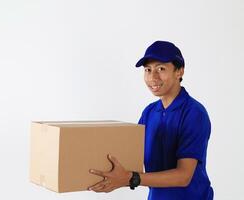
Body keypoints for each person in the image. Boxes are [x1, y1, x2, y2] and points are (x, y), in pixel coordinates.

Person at [88, 40, 214, 200]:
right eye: (148, 70)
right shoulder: (149, 112)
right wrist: (108, 176)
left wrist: (129, 178)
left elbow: (184, 176)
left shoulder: (194, 113)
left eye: (161, 69)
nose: (152, 77)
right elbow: (131, 163)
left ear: (179, 71)